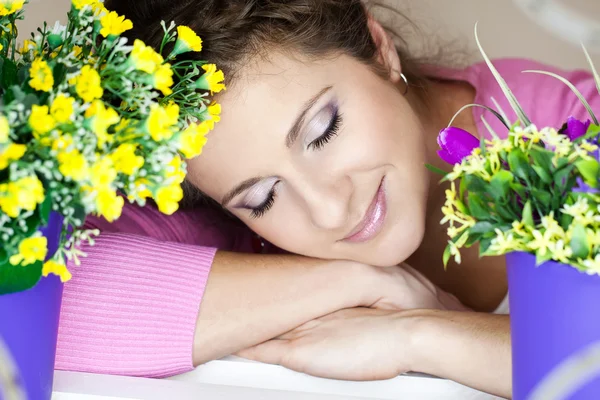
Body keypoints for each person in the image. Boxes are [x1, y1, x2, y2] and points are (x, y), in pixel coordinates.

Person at [54, 0, 599, 398]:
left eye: (322, 130)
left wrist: (424, 332)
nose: (329, 210)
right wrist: (357, 282)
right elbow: (36, 289)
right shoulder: (233, 232)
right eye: (263, 197)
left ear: (380, 49)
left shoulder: (576, 118)